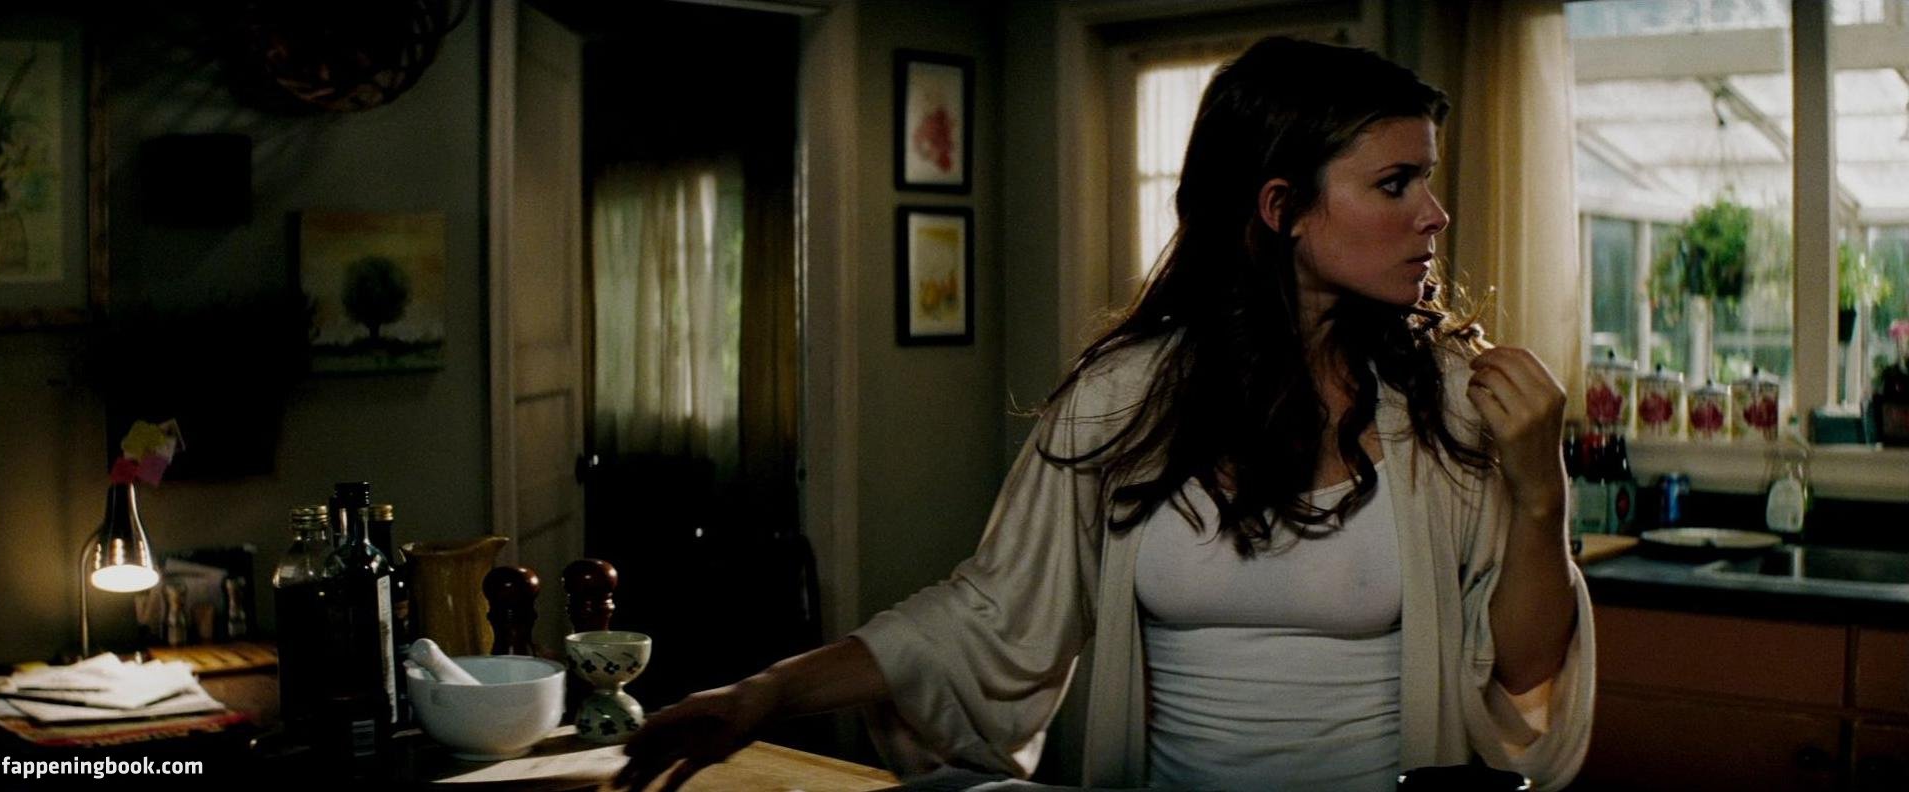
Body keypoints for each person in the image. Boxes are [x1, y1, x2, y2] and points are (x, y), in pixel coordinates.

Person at [616, 36, 1594, 792]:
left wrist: (1539, 489)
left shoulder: (1454, 401)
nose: (1435, 214)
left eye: (1428, 178)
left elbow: (1522, 676)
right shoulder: (1125, 398)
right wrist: (762, 694)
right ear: (1280, 207)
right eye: (1396, 183)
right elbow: (981, 621)